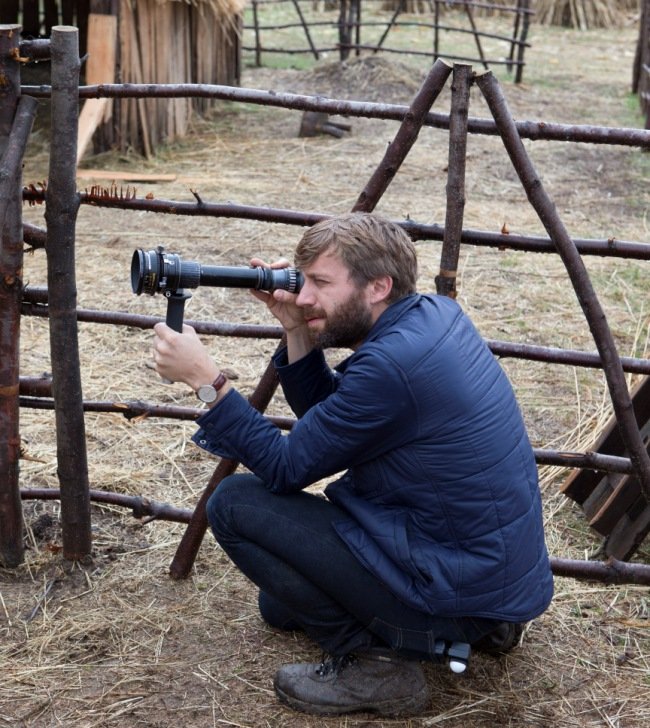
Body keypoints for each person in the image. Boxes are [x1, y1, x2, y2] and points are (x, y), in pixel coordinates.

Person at [152, 211, 554, 718]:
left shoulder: (391, 365)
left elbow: (284, 467)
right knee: (278, 606)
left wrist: (208, 382)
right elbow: (334, 420)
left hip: (451, 582)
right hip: (483, 576)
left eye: (320, 283)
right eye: (303, 283)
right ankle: (473, 631)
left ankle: (377, 664)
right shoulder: (432, 317)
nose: (303, 297)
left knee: (232, 503)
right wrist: (297, 330)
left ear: (377, 286)